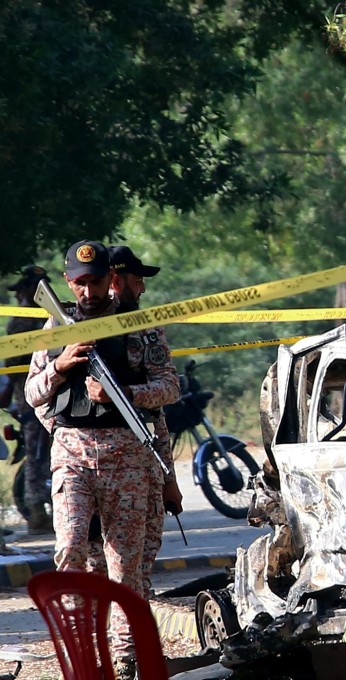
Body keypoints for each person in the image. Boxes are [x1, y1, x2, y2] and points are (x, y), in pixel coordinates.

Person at [24, 241, 180, 679]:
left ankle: (126, 659)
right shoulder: (55, 326)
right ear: (67, 282)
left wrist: (123, 393)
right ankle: (79, 655)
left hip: (127, 457)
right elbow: (32, 394)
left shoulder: (141, 327)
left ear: (111, 278)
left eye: (95, 283)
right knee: (71, 548)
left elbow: (169, 388)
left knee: (124, 564)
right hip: (72, 454)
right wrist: (60, 365)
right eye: (79, 284)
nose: (87, 293)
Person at [86, 245, 182, 600]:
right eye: (137, 280)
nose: (142, 288)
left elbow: (166, 395)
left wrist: (168, 478)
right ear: (115, 280)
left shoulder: (147, 329)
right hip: (87, 465)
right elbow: (44, 399)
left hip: (140, 465)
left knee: (137, 568)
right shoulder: (73, 328)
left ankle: (130, 632)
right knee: (95, 568)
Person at [4, 265, 53, 534]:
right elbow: (13, 362)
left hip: (53, 391)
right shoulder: (22, 321)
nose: (17, 296)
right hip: (30, 396)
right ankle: (36, 510)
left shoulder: (50, 315)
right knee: (36, 452)